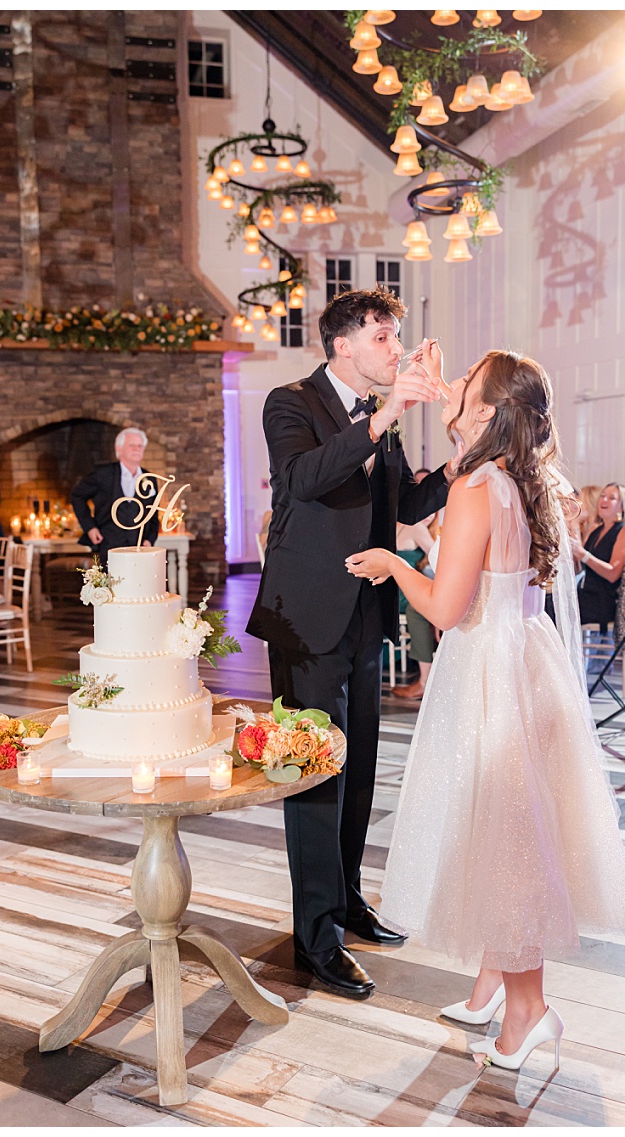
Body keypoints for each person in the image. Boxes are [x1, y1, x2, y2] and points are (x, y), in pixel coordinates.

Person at [345, 350, 625, 1070]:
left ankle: (530, 1009)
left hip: (489, 669)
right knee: (505, 827)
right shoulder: (522, 474)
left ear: (485, 412)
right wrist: (447, 390)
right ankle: (489, 985)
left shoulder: (477, 487)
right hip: (528, 659)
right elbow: (471, 433)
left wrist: (393, 563)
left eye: (465, 389)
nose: (451, 395)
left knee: (508, 841)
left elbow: (447, 607)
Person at [246, 288, 450, 999]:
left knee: (358, 768)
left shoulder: (376, 420)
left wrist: (464, 457)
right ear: (343, 344)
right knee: (312, 777)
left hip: (367, 616)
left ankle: (349, 899)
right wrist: (386, 416)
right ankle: (315, 937)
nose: (397, 350)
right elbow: (302, 479)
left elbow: (405, 506)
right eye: (386, 338)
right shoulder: (289, 401)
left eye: (397, 339)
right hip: (306, 620)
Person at [69, 428, 160, 557]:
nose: (137, 449)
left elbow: (153, 513)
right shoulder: (103, 474)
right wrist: (90, 527)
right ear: (119, 449)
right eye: (132, 445)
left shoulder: (149, 478)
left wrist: (150, 539)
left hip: (139, 547)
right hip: (109, 545)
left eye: (140, 446)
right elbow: (77, 496)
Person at [572, 482, 625, 631]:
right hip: (587, 594)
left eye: (611, 498)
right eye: (602, 496)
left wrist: (582, 553)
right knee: (551, 600)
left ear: (622, 506)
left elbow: (613, 574)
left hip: (606, 601)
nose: (604, 500)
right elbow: (580, 569)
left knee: (553, 607)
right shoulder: (597, 530)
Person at [390, 510, 439, 700]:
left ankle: (425, 680)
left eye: (433, 510)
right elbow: (440, 560)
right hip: (402, 593)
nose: (428, 514)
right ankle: (424, 682)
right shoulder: (416, 527)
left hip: (394, 592)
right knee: (421, 607)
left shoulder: (401, 524)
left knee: (423, 606)